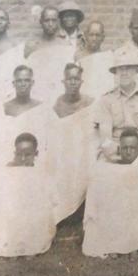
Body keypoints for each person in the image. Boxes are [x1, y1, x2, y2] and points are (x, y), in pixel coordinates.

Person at [82, 128, 138, 258]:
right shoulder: (111, 166)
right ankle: (112, 244)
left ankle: (134, 245)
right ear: (120, 148)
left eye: (132, 148)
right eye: (125, 148)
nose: (128, 152)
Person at [0, 133, 60, 259]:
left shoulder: (43, 174)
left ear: (36, 154)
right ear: (15, 152)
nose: (23, 158)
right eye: (19, 154)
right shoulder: (7, 173)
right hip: (13, 217)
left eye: (28, 154)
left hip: (34, 217)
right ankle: (12, 246)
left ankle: (32, 246)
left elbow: (52, 200)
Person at [47, 63, 99, 222]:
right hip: (64, 147)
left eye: (76, 79)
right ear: (63, 81)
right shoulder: (56, 103)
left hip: (84, 148)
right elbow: (55, 131)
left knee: (85, 160)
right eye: (69, 79)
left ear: (82, 81)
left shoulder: (91, 103)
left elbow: (94, 131)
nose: (73, 82)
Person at [92, 50, 138, 161]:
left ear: (136, 70)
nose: (124, 72)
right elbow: (105, 135)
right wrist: (120, 150)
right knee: (102, 169)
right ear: (116, 72)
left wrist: (130, 148)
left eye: (128, 68)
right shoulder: (106, 100)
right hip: (115, 149)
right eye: (120, 69)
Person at [25, 6, 76, 103]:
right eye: (47, 20)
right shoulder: (32, 46)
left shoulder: (65, 45)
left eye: (53, 20)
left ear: (58, 22)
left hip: (58, 94)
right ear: (41, 21)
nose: (50, 24)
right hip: (37, 94)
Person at [74, 20, 115, 98]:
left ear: (103, 37)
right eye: (91, 35)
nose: (94, 38)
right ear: (86, 36)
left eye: (97, 35)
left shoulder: (107, 57)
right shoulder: (78, 56)